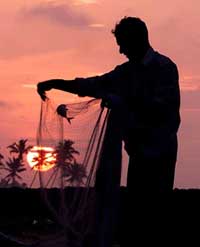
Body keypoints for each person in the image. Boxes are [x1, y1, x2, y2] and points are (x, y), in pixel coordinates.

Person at [37, 16, 181, 245]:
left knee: (155, 213)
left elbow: (162, 109)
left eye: (123, 44)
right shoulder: (124, 73)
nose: (122, 51)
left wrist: (123, 100)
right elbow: (92, 84)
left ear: (137, 40)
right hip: (138, 154)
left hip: (159, 154)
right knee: (137, 213)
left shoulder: (164, 68)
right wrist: (56, 83)